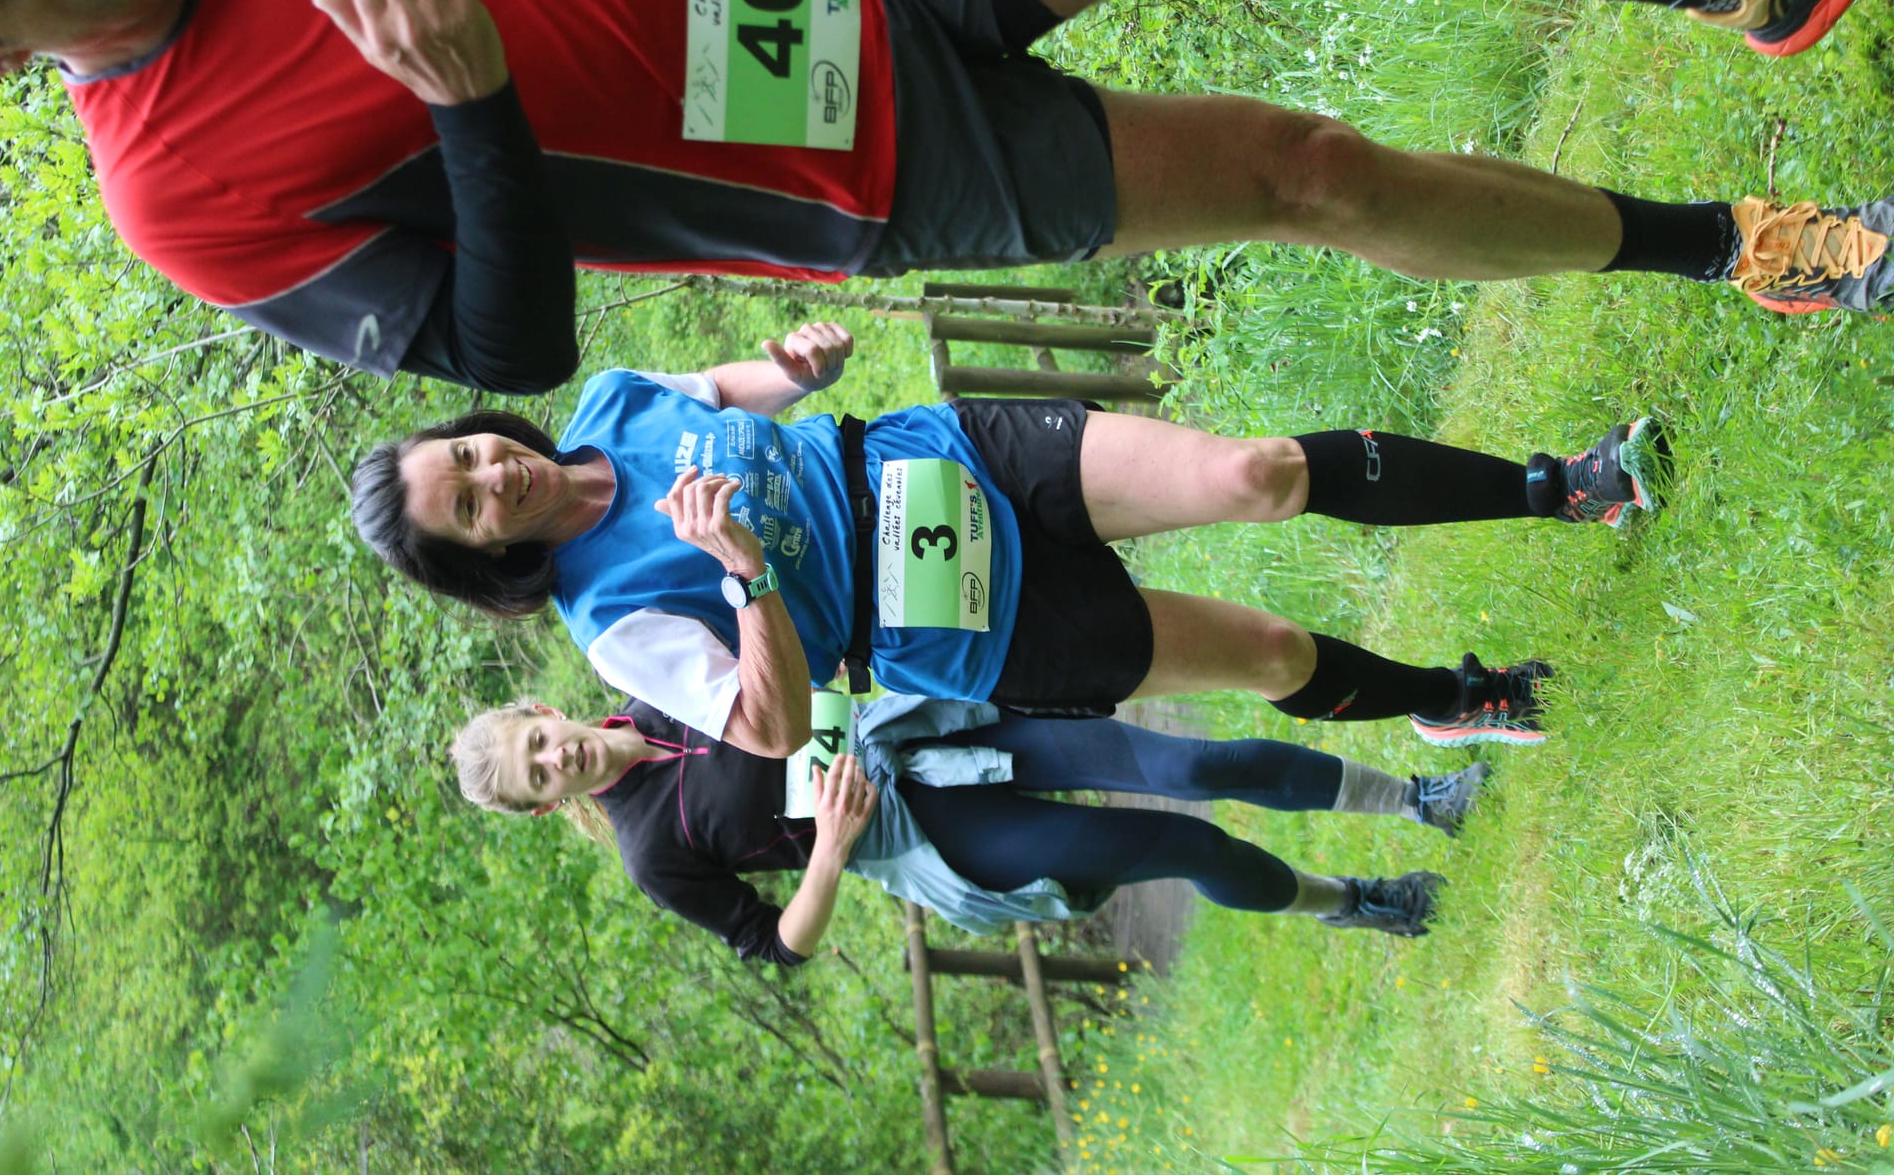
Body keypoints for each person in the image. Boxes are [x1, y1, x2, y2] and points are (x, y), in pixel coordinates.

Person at [0, 0, 1889, 390]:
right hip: (849, 153)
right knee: (1307, 173)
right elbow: (500, 348)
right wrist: (475, 114)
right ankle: (1727, 248)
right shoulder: (180, 198)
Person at [351, 322, 1673, 755]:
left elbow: (737, 391)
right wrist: (747, 580)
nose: (492, 479)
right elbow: (765, 728)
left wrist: (796, 364)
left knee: (1256, 473)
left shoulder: (608, 406)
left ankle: (1567, 486)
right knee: (1269, 653)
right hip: (958, 625)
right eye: (467, 506)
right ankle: (1451, 700)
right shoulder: (608, 621)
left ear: (478, 425)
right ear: (478, 556)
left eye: (467, 453)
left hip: (948, 461)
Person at [448, 694, 1495, 959]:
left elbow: (782, 642)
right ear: (547, 807)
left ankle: (1415, 797)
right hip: (920, 836)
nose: (556, 759)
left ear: (543, 714)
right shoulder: (650, 851)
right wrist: (825, 853)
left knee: (1188, 764)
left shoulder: (656, 680)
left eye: (537, 742)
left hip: (925, 729)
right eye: (537, 779)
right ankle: (1355, 902)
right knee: (1178, 846)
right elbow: (777, 945)